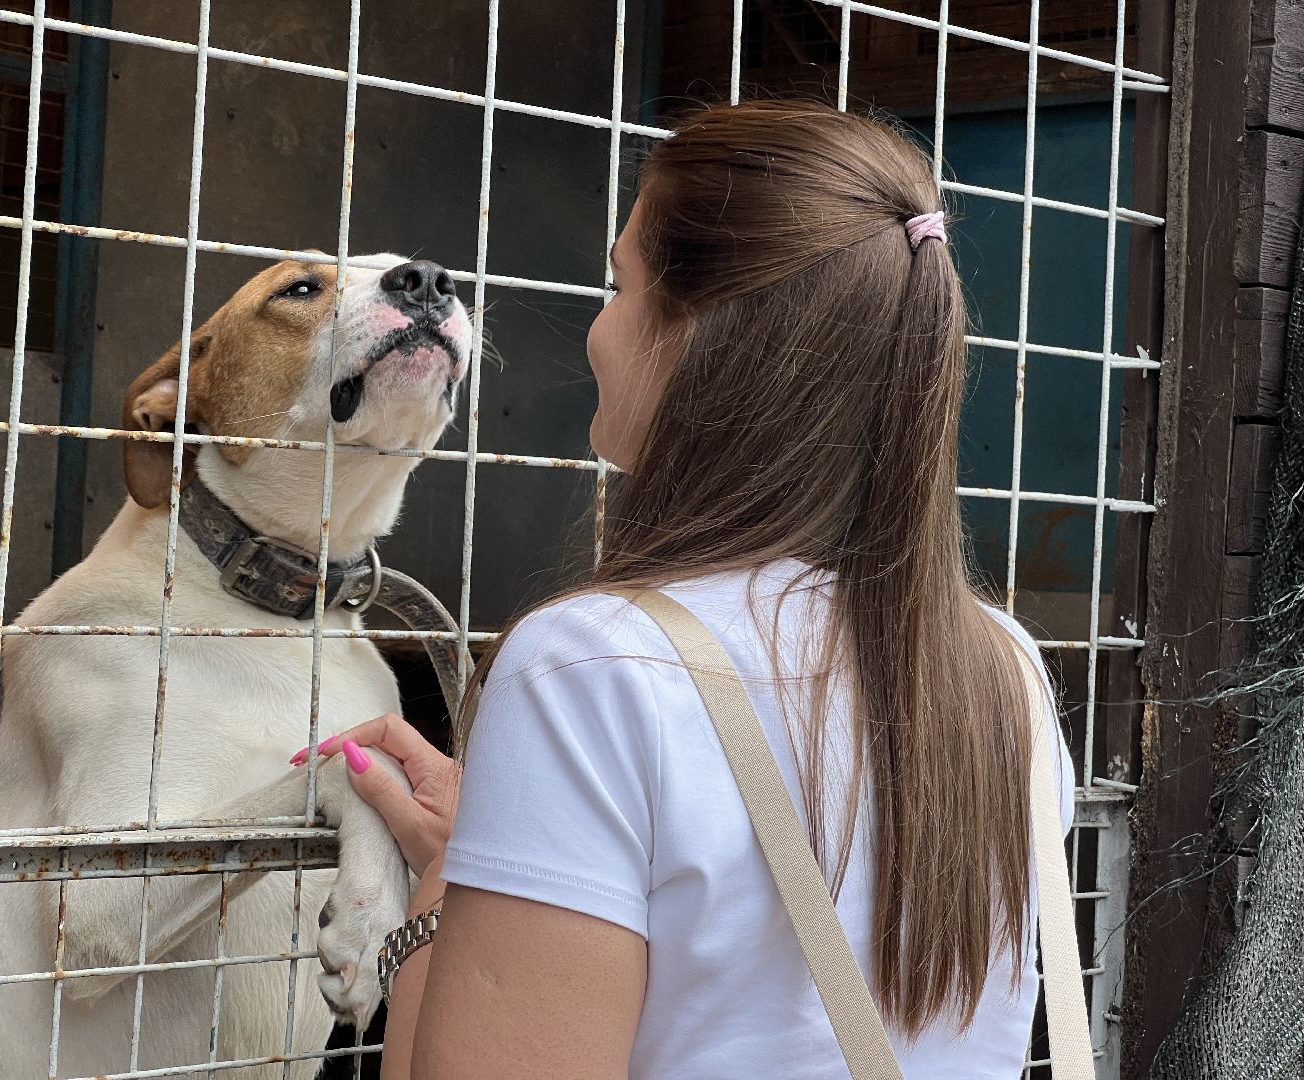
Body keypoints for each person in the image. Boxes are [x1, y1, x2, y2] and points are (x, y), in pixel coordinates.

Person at [299, 99, 1074, 1079]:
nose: (597, 331)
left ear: (700, 332)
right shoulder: (1007, 672)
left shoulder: (594, 667)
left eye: (619, 286)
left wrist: (451, 875)